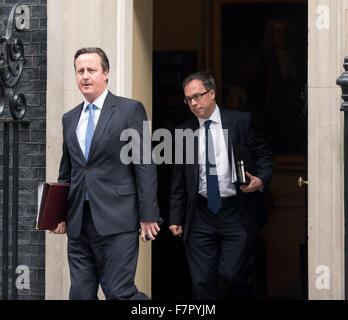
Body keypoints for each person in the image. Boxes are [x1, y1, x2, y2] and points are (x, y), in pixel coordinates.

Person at [51, 47, 160, 300]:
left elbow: (144, 166)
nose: (85, 76)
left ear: (106, 73)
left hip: (118, 220)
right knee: (79, 294)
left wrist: (148, 215)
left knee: (119, 293)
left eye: (91, 70)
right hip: (79, 222)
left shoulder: (129, 110)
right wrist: (59, 214)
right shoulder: (70, 118)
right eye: (80, 71)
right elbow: (66, 171)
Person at [169, 71, 273, 299]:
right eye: (189, 99)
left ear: (212, 93)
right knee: (202, 280)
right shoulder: (184, 131)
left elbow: (264, 156)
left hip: (236, 210)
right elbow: (179, 179)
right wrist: (176, 217)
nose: (194, 103)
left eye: (198, 96)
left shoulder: (241, 122)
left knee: (233, 274)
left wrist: (260, 180)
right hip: (200, 213)